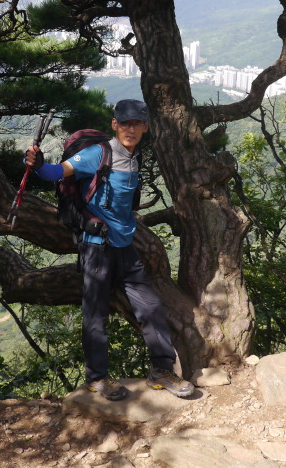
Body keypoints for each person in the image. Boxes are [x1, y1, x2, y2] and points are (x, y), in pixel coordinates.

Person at [24, 98, 194, 401]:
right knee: (96, 314)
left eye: (136, 124)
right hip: (97, 248)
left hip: (126, 247)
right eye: (125, 123)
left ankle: (161, 370)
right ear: (115, 124)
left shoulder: (134, 156)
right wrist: (38, 165)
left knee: (150, 307)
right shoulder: (98, 154)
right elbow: (56, 172)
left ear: (145, 127)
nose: (131, 129)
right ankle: (97, 379)